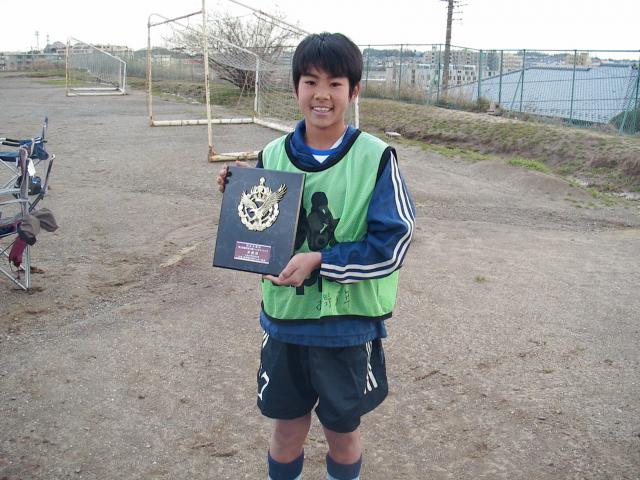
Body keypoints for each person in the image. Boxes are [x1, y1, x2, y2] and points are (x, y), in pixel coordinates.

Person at [216, 32, 415, 480]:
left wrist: (322, 261)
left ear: (354, 91)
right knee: (287, 429)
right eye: (310, 82)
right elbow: (261, 228)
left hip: (346, 326)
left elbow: (394, 244)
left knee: (342, 432)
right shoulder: (272, 155)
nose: (321, 95)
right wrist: (238, 193)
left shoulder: (376, 158)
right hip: (286, 322)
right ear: (295, 88)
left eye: (335, 83)